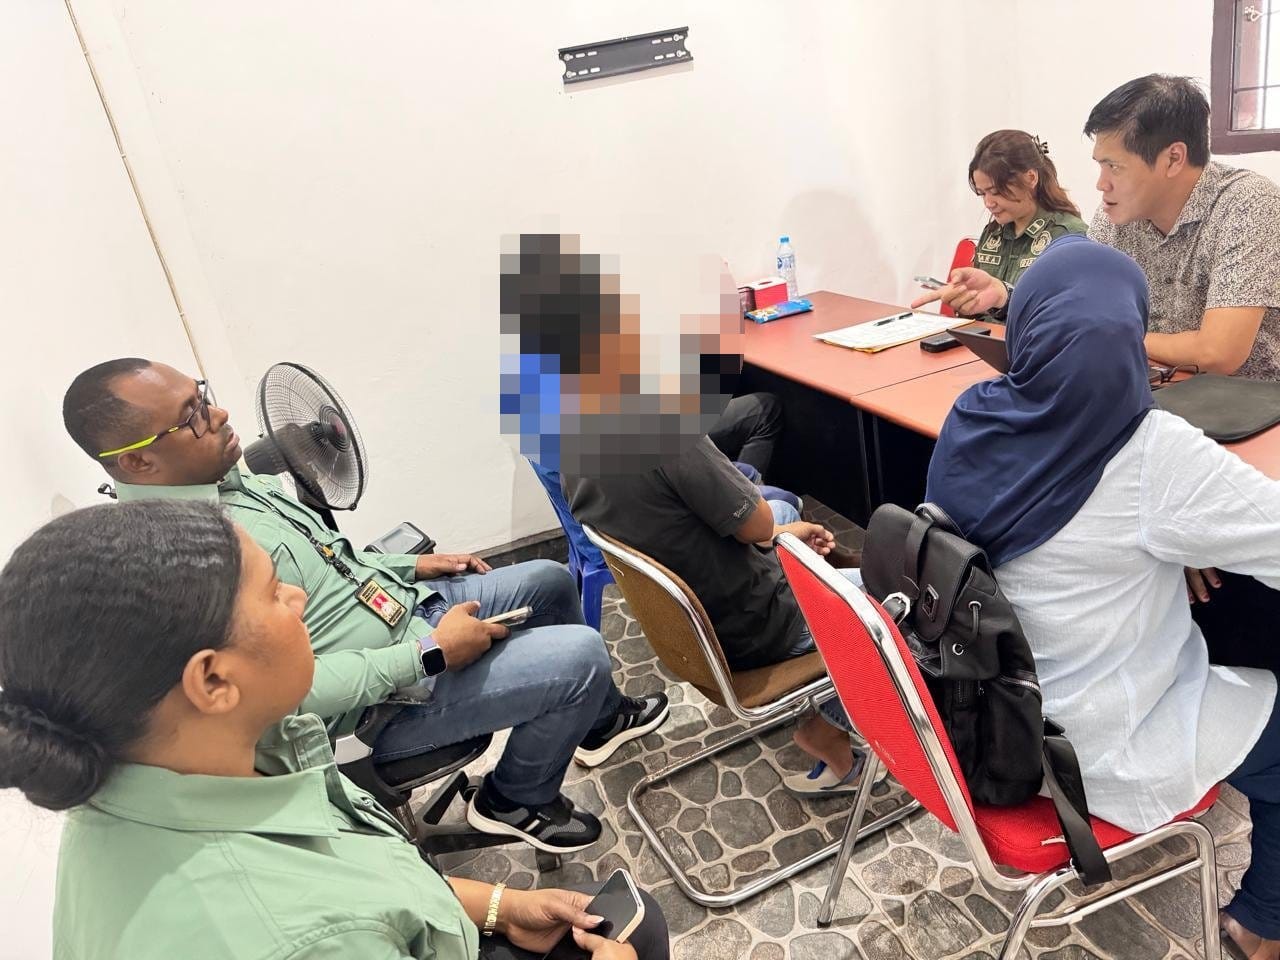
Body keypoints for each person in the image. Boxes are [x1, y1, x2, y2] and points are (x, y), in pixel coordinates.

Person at [0, 500, 669, 960]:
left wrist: (499, 907)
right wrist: (427, 653)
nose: (298, 599)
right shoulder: (298, 935)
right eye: (273, 593)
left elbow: (372, 880)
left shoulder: (219, 751)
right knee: (639, 930)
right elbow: (342, 915)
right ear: (213, 681)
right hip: (392, 705)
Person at [61, 359, 669, 853]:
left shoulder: (229, 482)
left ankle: (598, 724)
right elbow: (282, 694)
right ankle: (513, 798)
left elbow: (327, 560)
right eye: (192, 416)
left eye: (203, 395)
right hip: (380, 705)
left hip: (404, 610)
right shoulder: (180, 561)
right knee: (580, 656)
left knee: (549, 580)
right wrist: (429, 655)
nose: (218, 415)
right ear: (138, 461)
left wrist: (410, 567)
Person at [925, 235, 1280, 959]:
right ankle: (1260, 924)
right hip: (1094, 743)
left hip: (986, 715)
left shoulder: (973, 414)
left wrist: (1175, 537)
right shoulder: (1151, 450)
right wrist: (1185, 531)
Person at [564, 437, 879, 797]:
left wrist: (777, 532)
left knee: (785, 511)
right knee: (900, 599)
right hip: (760, 625)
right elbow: (758, 527)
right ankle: (829, 731)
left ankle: (833, 658)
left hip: (695, 633)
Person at [911, 129, 1086, 320]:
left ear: (1030, 178)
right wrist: (964, 300)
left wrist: (1003, 298)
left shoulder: (1068, 237)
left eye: (995, 192)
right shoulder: (993, 232)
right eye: (982, 193)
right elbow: (977, 315)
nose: (988, 203)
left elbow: (1068, 317)